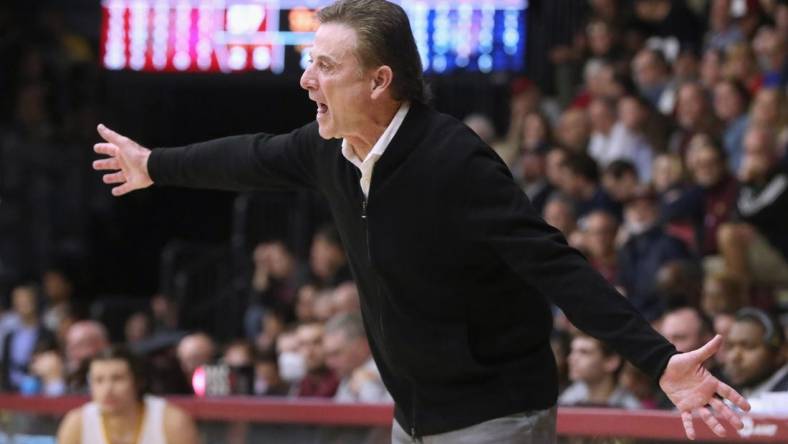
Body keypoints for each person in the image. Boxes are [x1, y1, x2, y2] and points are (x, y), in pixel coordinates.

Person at [92, 0, 749, 441]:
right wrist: (155, 163)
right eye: (308, 62)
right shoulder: (328, 151)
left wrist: (659, 360)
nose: (306, 79)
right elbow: (250, 155)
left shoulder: (453, 158)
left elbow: (556, 264)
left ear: (379, 81)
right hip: (415, 414)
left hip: (498, 411)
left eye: (325, 65)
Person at [56, 346, 199, 444]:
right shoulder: (76, 424)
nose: (107, 389)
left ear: (138, 381)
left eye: (117, 379)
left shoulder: (172, 422)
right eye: (98, 380)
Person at [323, 312, 390, 402]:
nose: (329, 363)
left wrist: (367, 385)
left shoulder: (391, 373)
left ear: (363, 346)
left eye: (336, 353)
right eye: (327, 355)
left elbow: (383, 414)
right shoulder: (348, 374)